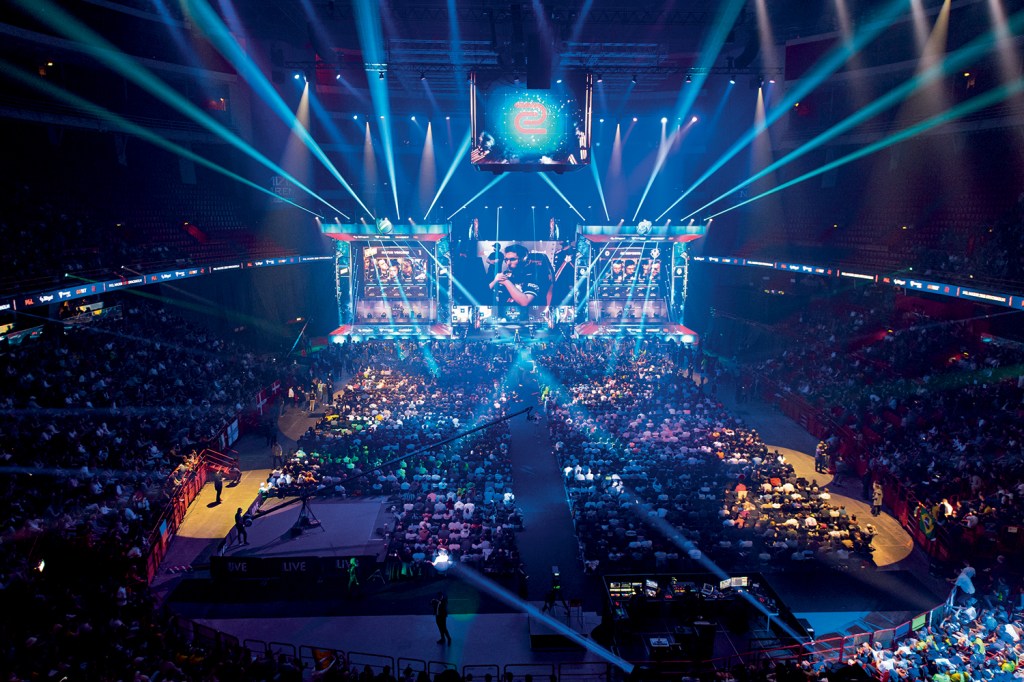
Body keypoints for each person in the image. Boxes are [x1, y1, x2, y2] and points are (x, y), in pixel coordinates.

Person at [490, 244, 542, 308]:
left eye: (512, 259)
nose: (508, 263)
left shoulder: (533, 276)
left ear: (523, 260)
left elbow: (525, 302)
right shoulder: (505, 274)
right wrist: (495, 281)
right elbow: (486, 293)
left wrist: (505, 281)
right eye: (506, 260)